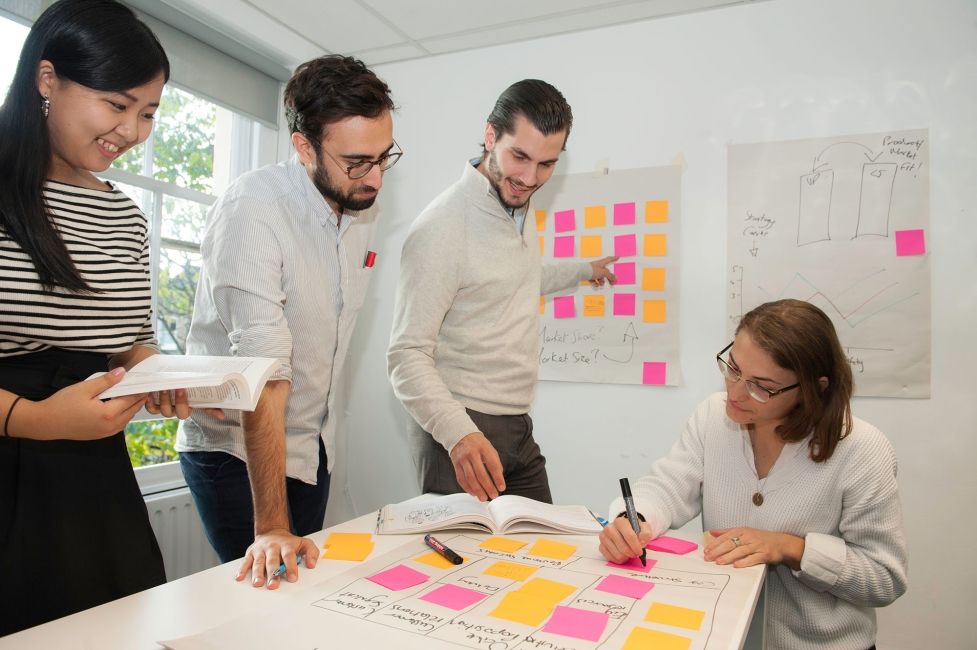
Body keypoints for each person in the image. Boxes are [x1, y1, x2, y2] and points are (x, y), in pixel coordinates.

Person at [177, 55, 399, 588]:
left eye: (384, 157)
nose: (375, 178)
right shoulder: (253, 210)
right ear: (304, 148)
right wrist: (272, 525)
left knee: (306, 594)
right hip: (233, 449)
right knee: (268, 596)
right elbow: (265, 376)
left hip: (311, 444)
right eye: (356, 162)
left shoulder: (359, 205)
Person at [0, 0, 185, 635]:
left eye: (149, 113)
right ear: (47, 80)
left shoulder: (124, 217)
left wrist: (153, 369)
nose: (134, 131)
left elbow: (129, 342)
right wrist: (35, 419)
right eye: (117, 104)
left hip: (91, 479)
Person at [599, 299, 908, 650]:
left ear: (814, 388)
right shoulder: (713, 417)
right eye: (732, 368)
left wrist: (791, 548)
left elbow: (885, 578)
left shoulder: (861, 450)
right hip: (727, 635)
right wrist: (634, 517)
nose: (734, 392)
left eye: (761, 386)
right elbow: (668, 486)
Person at [388, 79, 617, 504]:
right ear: (490, 135)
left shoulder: (511, 208)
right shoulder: (443, 226)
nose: (530, 178)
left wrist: (584, 270)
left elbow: (515, 277)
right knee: (468, 569)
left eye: (547, 164)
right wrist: (459, 435)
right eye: (520, 157)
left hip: (515, 423)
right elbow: (405, 356)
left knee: (548, 554)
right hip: (460, 427)